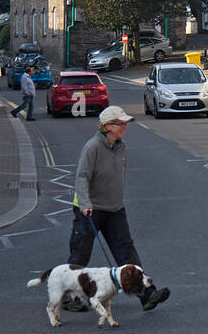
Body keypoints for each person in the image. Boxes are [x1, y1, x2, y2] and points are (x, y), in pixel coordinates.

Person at [67, 106, 169, 311]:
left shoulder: (123, 148)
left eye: (125, 124)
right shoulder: (92, 147)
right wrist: (85, 204)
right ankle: (71, 298)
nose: (124, 127)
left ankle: (147, 295)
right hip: (90, 209)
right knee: (80, 255)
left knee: (127, 254)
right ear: (107, 126)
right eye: (120, 124)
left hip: (114, 209)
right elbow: (81, 177)